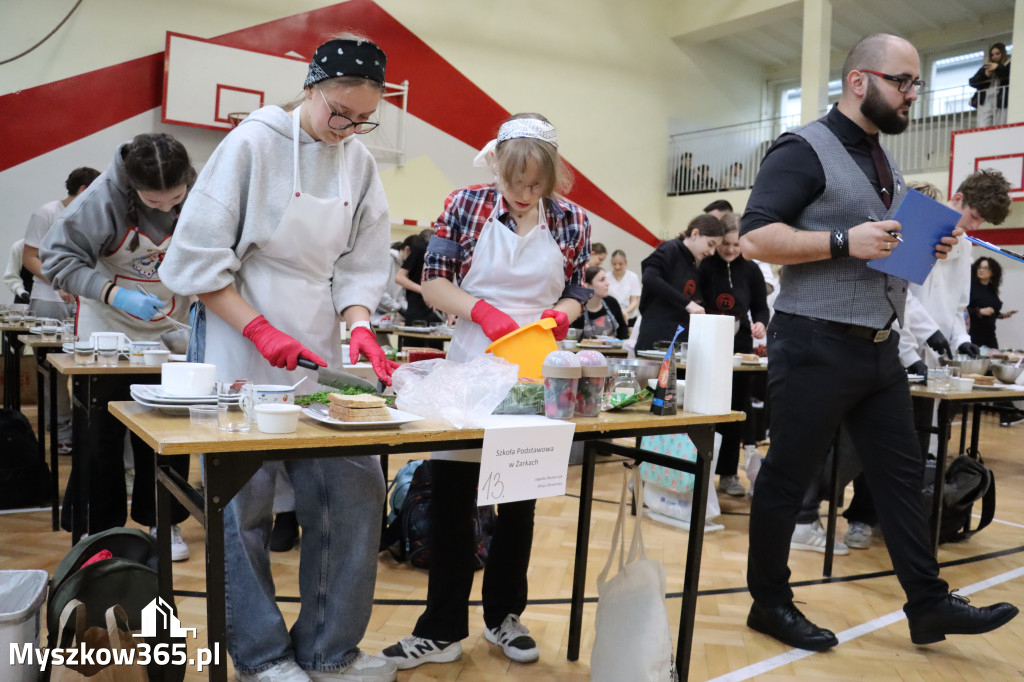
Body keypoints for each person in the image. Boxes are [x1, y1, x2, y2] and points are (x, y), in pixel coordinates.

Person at [739, 33, 1017, 652]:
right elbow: (756, 238)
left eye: (917, 83)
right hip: (813, 341)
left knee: (899, 478)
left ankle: (927, 604)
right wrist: (844, 241)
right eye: (903, 81)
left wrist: (924, 249)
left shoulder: (881, 159)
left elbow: (878, 250)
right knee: (788, 479)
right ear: (859, 82)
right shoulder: (802, 148)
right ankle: (769, 603)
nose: (913, 94)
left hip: (877, 348)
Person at [160, 35, 399, 682]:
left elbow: (361, 263)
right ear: (311, 89)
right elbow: (197, 260)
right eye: (338, 113)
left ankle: (328, 649)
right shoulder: (254, 143)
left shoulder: (360, 163)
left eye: (362, 118)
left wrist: (357, 326)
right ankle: (262, 657)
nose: (346, 128)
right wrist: (259, 330)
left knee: (355, 484)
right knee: (243, 503)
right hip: (241, 329)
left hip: (315, 338)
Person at [382, 113, 590, 670]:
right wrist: (481, 311)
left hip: (533, 369)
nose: (524, 196)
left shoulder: (571, 218)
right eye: (514, 183)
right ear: (495, 163)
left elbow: (577, 289)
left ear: (551, 180)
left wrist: (561, 315)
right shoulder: (466, 205)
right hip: (473, 362)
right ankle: (442, 627)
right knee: (454, 497)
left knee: (518, 503)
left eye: (535, 186)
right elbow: (434, 282)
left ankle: (503, 616)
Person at [41, 134, 195, 560]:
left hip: (169, 321)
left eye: (175, 199)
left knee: (167, 429)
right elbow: (57, 260)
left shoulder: (201, 191)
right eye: (153, 202)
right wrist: (113, 294)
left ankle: (162, 522)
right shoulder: (100, 199)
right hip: (108, 322)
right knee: (100, 435)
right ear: (131, 186)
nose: (165, 209)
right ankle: (101, 530)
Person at [21, 166, 101, 455]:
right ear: (83, 191)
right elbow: (29, 257)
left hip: (86, 304)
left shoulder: (95, 217)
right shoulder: (47, 213)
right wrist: (60, 280)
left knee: (87, 370)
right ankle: (61, 431)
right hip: (49, 302)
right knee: (54, 374)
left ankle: (85, 432)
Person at [700, 218, 769, 497]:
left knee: (735, 407)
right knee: (706, 407)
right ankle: (701, 473)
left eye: (735, 245)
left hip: (741, 343)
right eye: (725, 244)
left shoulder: (752, 270)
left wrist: (761, 325)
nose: (729, 250)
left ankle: (728, 473)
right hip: (708, 337)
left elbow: (761, 308)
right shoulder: (705, 267)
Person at [635, 214, 725, 350]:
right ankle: (619, 373)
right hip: (657, 335)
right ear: (695, 233)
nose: (712, 252)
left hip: (679, 335)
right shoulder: (670, 249)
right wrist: (687, 303)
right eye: (710, 244)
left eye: (715, 248)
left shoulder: (695, 263)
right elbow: (649, 278)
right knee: (627, 373)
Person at [571, 266, 629, 340]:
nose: (607, 283)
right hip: (585, 351)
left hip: (613, 351)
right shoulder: (577, 309)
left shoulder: (612, 303)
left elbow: (623, 331)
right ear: (588, 286)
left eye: (606, 279)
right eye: (602, 280)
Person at [968, 256, 1014, 349]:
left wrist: (1000, 315)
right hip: (973, 334)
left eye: (985, 268)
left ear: (992, 272)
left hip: (990, 335)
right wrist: (979, 311)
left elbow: (991, 311)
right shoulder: (971, 288)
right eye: (979, 267)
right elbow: (963, 310)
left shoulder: (992, 289)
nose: (981, 270)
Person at [395, 233, 435, 325]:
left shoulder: (442, 253)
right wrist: (422, 290)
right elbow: (399, 278)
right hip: (416, 308)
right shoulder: (420, 250)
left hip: (434, 308)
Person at [970, 42, 1011, 127]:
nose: (994, 57)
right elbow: (972, 82)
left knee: (1000, 124)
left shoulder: (1009, 64)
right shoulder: (987, 66)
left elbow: (1009, 76)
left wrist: (998, 68)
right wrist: (985, 75)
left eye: (997, 54)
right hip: (986, 99)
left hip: (1001, 100)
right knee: (983, 125)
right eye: (992, 55)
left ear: (1003, 53)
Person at [606, 249, 641, 323]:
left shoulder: (633, 277)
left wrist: (625, 312)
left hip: (629, 317)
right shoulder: (606, 277)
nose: (617, 267)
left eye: (620, 264)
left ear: (626, 262)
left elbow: (634, 300)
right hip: (611, 316)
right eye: (614, 264)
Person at [3, 240, 31, 304]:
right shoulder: (19, 246)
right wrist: (21, 292)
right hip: (24, 300)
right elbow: (11, 276)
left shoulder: (56, 246)